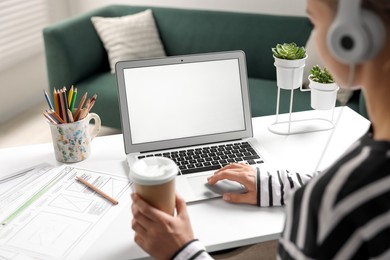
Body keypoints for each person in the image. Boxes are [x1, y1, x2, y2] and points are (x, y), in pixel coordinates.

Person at [131, 0, 390, 259]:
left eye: (314, 21)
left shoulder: (335, 207)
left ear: (352, 37)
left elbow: (339, 200)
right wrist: (276, 185)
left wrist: (182, 252)